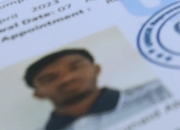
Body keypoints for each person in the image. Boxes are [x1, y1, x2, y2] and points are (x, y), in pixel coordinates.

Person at [24, 49, 170, 130]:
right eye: (49, 78)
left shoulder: (163, 90)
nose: (66, 79)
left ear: (96, 69)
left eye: (76, 67)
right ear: (38, 94)